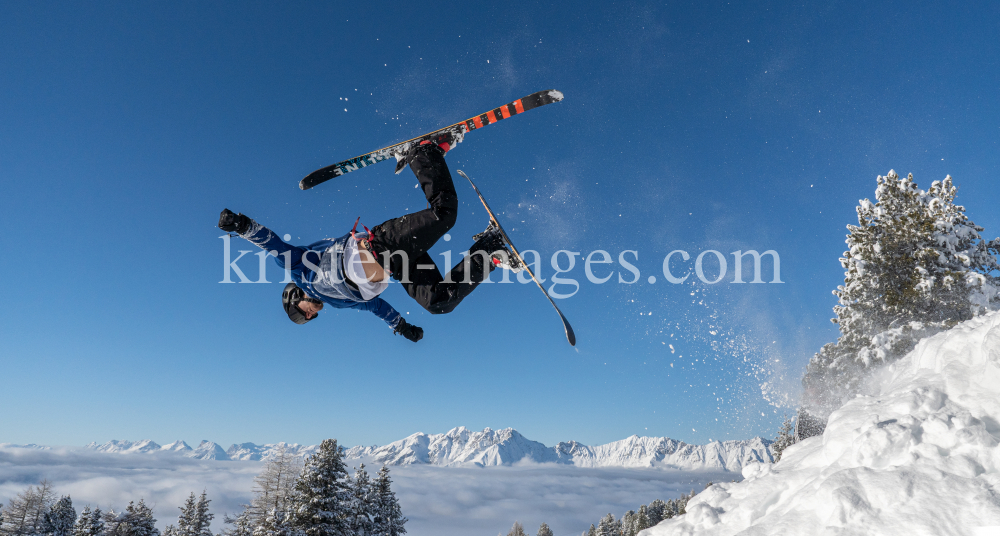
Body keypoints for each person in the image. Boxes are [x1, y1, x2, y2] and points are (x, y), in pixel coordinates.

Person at [218, 135, 519, 342]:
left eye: (303, 315)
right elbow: (377, 308)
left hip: (380, 245)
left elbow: (272, 244)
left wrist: (241, 226)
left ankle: (422, 152)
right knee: (438, 303)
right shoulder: (339, 303)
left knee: (444, 215)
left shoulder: (301, 270)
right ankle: (489, 250)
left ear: (295, 299)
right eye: (307, 320)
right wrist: (402, 327)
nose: (310, 318)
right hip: (398, 266)